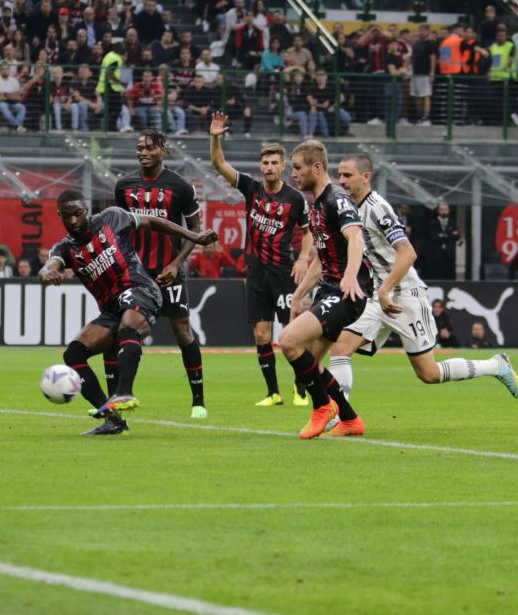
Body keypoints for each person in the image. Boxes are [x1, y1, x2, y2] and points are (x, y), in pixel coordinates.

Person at [321, 154, 516, 427]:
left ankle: (496, 365)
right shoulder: (349, 209)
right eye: (339, 175)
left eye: (347, 175)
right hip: (376, 297)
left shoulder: (378, 208)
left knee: (429, 373)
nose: (341, 181)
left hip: (403, 296)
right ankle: (342, 417)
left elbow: (408, 253)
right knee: (340, 347)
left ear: (366, 177)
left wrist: (387, 290)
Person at [40, 190, 216, 436]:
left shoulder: (112, 218)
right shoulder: (65, 248)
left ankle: (124, 392)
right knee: (74, 354)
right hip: (112, 308)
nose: (73, 221)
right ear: (59, 215)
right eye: (67, 216)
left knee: (128, 327)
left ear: (86, 210)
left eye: (78, 214)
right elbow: (50, 264)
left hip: (141, 290)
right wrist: (47, 272)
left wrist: (193, 236)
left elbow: (153, 221)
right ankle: (113, 419)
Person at [209, 116, 314, 407]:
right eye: (265, 163)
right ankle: (273, 393)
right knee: (261, 334)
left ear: (283, 167)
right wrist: (216, 137)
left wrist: (304, 258)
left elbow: (309, 233)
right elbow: (219, 165)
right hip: (255, 272)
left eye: (274, 163)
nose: (269, 168)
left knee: (292, 333)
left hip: (283, 271)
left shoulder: (295, 199)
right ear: (261, 166)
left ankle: (300, 389)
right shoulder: (252, 189)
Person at [112, 131, 208, 418]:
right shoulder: (123, 186)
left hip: (169, 271)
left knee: (182, 331)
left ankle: (198, 401)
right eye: (139, 147)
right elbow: (117, 228)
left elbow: (195, 232)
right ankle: (117, 397)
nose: (142, 152)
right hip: (134, 274)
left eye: (149, 148)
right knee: (121, 330)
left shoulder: (180, 187)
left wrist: (177, 264)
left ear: (163, 150)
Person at [278, 140, 368, 439]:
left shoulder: (336, 199)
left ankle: (322, 407)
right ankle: (350, 418)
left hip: (346, 293)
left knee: (289, 340)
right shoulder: (316, 203)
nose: (294, 174)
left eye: (298, 168)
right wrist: (300, 293)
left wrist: (351, 277)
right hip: (330, 289)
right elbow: (323, 256)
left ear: (317, 167)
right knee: (311, 364)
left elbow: (355, 237)